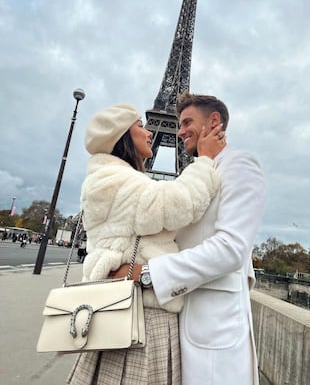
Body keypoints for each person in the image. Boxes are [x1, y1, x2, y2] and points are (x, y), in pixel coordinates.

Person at [67, 103, 225, 385]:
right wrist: (205, 160)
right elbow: (178, 203)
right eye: (140, 125)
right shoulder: (113, 180)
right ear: (122, 136)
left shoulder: (113, 178)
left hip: (130, 306)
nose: (149, 131)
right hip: (137, 313)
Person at [117, 92, 267, 385]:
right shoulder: (199, 172)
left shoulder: (239, 165)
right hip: (181, 322)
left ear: (214, 121)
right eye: (178, 123)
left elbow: (232, 249)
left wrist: (145, 274)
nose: (180, 130)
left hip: (213, 330)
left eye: (187, 122)